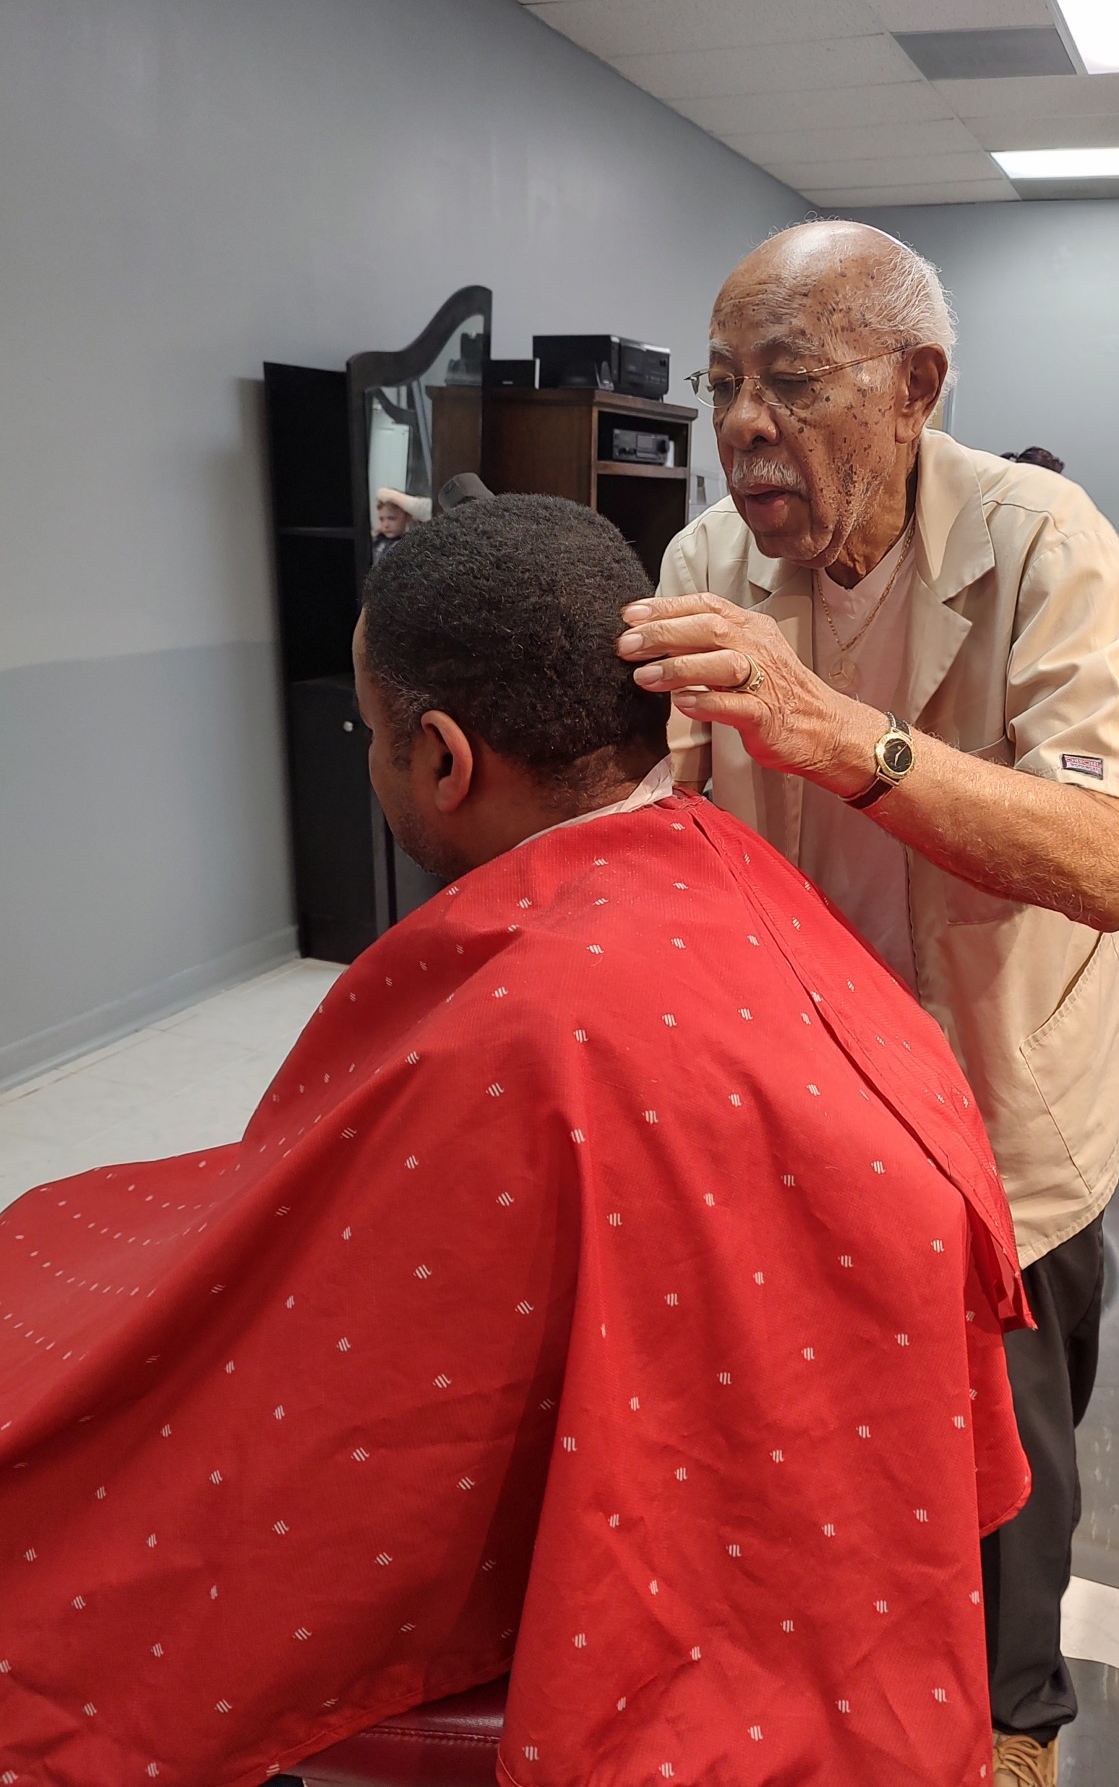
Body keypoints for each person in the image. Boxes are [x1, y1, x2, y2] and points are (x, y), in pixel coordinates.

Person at [0, 496, 1030, 1787]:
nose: (369, 762)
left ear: (442, 759)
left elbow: (346, 1402)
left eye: (370, 738)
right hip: (862, 1543)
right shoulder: (745, 877)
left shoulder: (525, 1028)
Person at [618, 221, 1119, 1787]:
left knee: (1007, 1478)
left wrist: (839, 734)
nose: (741, 429)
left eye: (790, 383)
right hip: (804, 1105)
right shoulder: (708, 562)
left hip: (1001, 1104)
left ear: (916, 387)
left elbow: (1108, 856)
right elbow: (672, 826)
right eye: (723, 386)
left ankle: (1011, 1730)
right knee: (814, 1434)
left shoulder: (1040, 538)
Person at [371, 485, 422, 561]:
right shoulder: (377, 541)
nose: (386, 525)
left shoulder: (411, 544)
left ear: (407, 517)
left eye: (391, 518)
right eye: (382, 519)